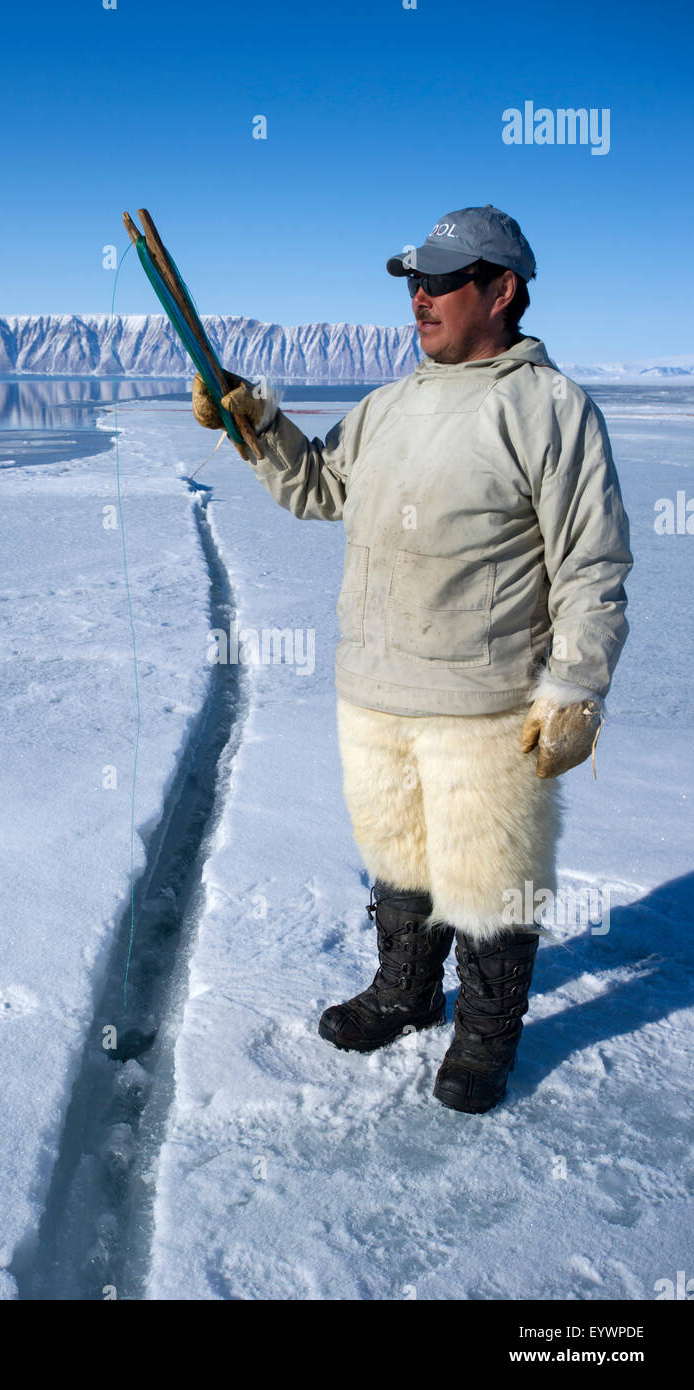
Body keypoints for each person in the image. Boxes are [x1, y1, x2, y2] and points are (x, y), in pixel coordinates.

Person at [192, 205, 633, 1114]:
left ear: (501, 289)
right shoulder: (390, 406)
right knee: (398, 858)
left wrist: (576, 684)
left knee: (485, 876)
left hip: (485, 699)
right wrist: (255, 424)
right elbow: (319, 488)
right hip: (375, 687)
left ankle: (484, 1035)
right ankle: (403, 992)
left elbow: (591, 561)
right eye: (411, 282)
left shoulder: (549, 410)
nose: (418, 298)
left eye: (439, 280)